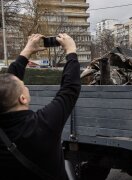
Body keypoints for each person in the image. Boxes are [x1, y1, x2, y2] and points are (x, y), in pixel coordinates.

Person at [0, 33, 81, 180]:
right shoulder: (41, 126)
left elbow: (6, 87)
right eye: (23, 85)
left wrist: (27, 51)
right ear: (23, 98)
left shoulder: (40, 123)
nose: (25, 86)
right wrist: (71, 50)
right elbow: (69, 90)